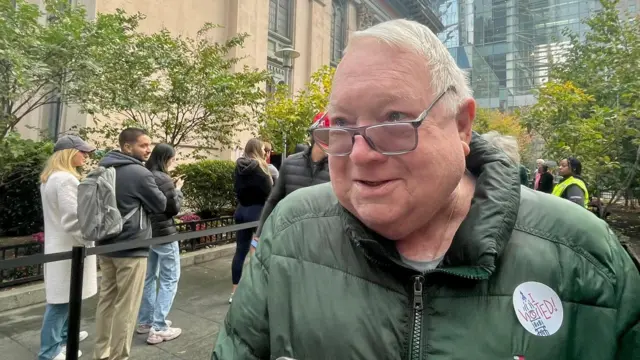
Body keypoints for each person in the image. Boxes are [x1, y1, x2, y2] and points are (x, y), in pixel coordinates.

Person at [213, 19, 640, 359]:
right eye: (341, 126)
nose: (360, 155)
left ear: (461, 125)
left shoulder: (585, 256)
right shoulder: (292, 231)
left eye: (394, 121)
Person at [93, 128, 167, 360]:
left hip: (105, 244)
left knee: (106, 301)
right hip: (131, 247)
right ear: (127, 147)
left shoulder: (103, 168)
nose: (148, 150)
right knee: (127, 305)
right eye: (143, 145)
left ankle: (101, 353)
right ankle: (119, 356)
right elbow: (161, 204)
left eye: (149, 145)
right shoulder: (138, 173)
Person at [38, 135, 97, 360]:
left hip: (60, 245)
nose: (85, 155)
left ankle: (64, 337)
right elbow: (74, 219)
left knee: (65, 298)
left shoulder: (50, 178)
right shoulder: (66, 179)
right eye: (82, 151)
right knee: (60, 302)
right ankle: (49, 352)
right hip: (70, 248)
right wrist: (88, 239)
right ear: (69, 153)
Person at [253, 113, 330, 247]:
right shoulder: (290, 163)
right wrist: (258, 238)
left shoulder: (340, 169)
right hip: (288, 240)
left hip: (322, 245)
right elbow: (273, 201)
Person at [136, 144, 183, 345]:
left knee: (149, 277)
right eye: (173, 159)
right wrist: (178, 190)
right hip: (164, 233)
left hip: (148, 233)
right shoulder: (163, 178)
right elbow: (173, 208)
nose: (174, 162)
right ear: (166, 159)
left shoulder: (144, 174)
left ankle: (146, 321)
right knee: (170, 278)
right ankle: (159, 327)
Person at [229, 138, 272, 303]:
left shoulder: (238, 167)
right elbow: (270, 194)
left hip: (241, 211)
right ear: (257, 149)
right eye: (262, 148)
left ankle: (234, 292)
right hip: (258, 213)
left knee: (240, 251)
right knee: (261, 251)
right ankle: (258, 290)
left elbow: (236, 189)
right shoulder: (262, 169)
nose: (264, 151)